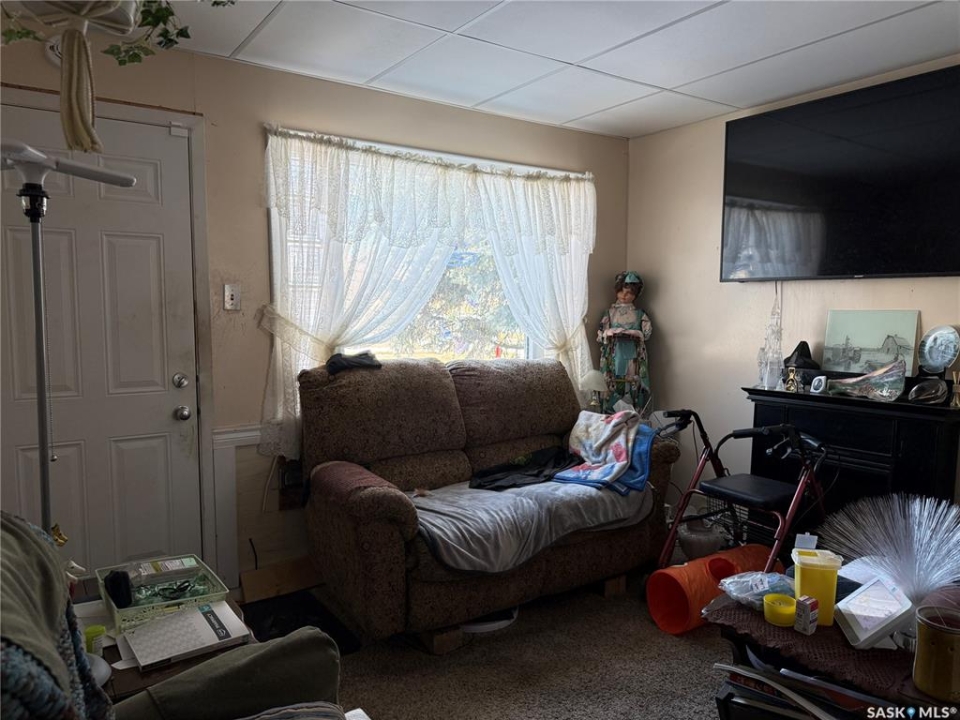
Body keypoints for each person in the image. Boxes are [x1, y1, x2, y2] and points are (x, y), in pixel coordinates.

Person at [597, 271, 653, 415]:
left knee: (632, 383)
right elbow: (601, 334)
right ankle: (612, 415)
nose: (624, 295)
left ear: (635, 294)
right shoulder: (610, 313)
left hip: (633, 356)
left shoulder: (640, 314)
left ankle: (633, 415)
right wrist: (608, 333)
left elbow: (646, 333)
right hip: (614, 355)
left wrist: (635, 333)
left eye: (629, 293)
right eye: (621, 291)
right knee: (613, 383)